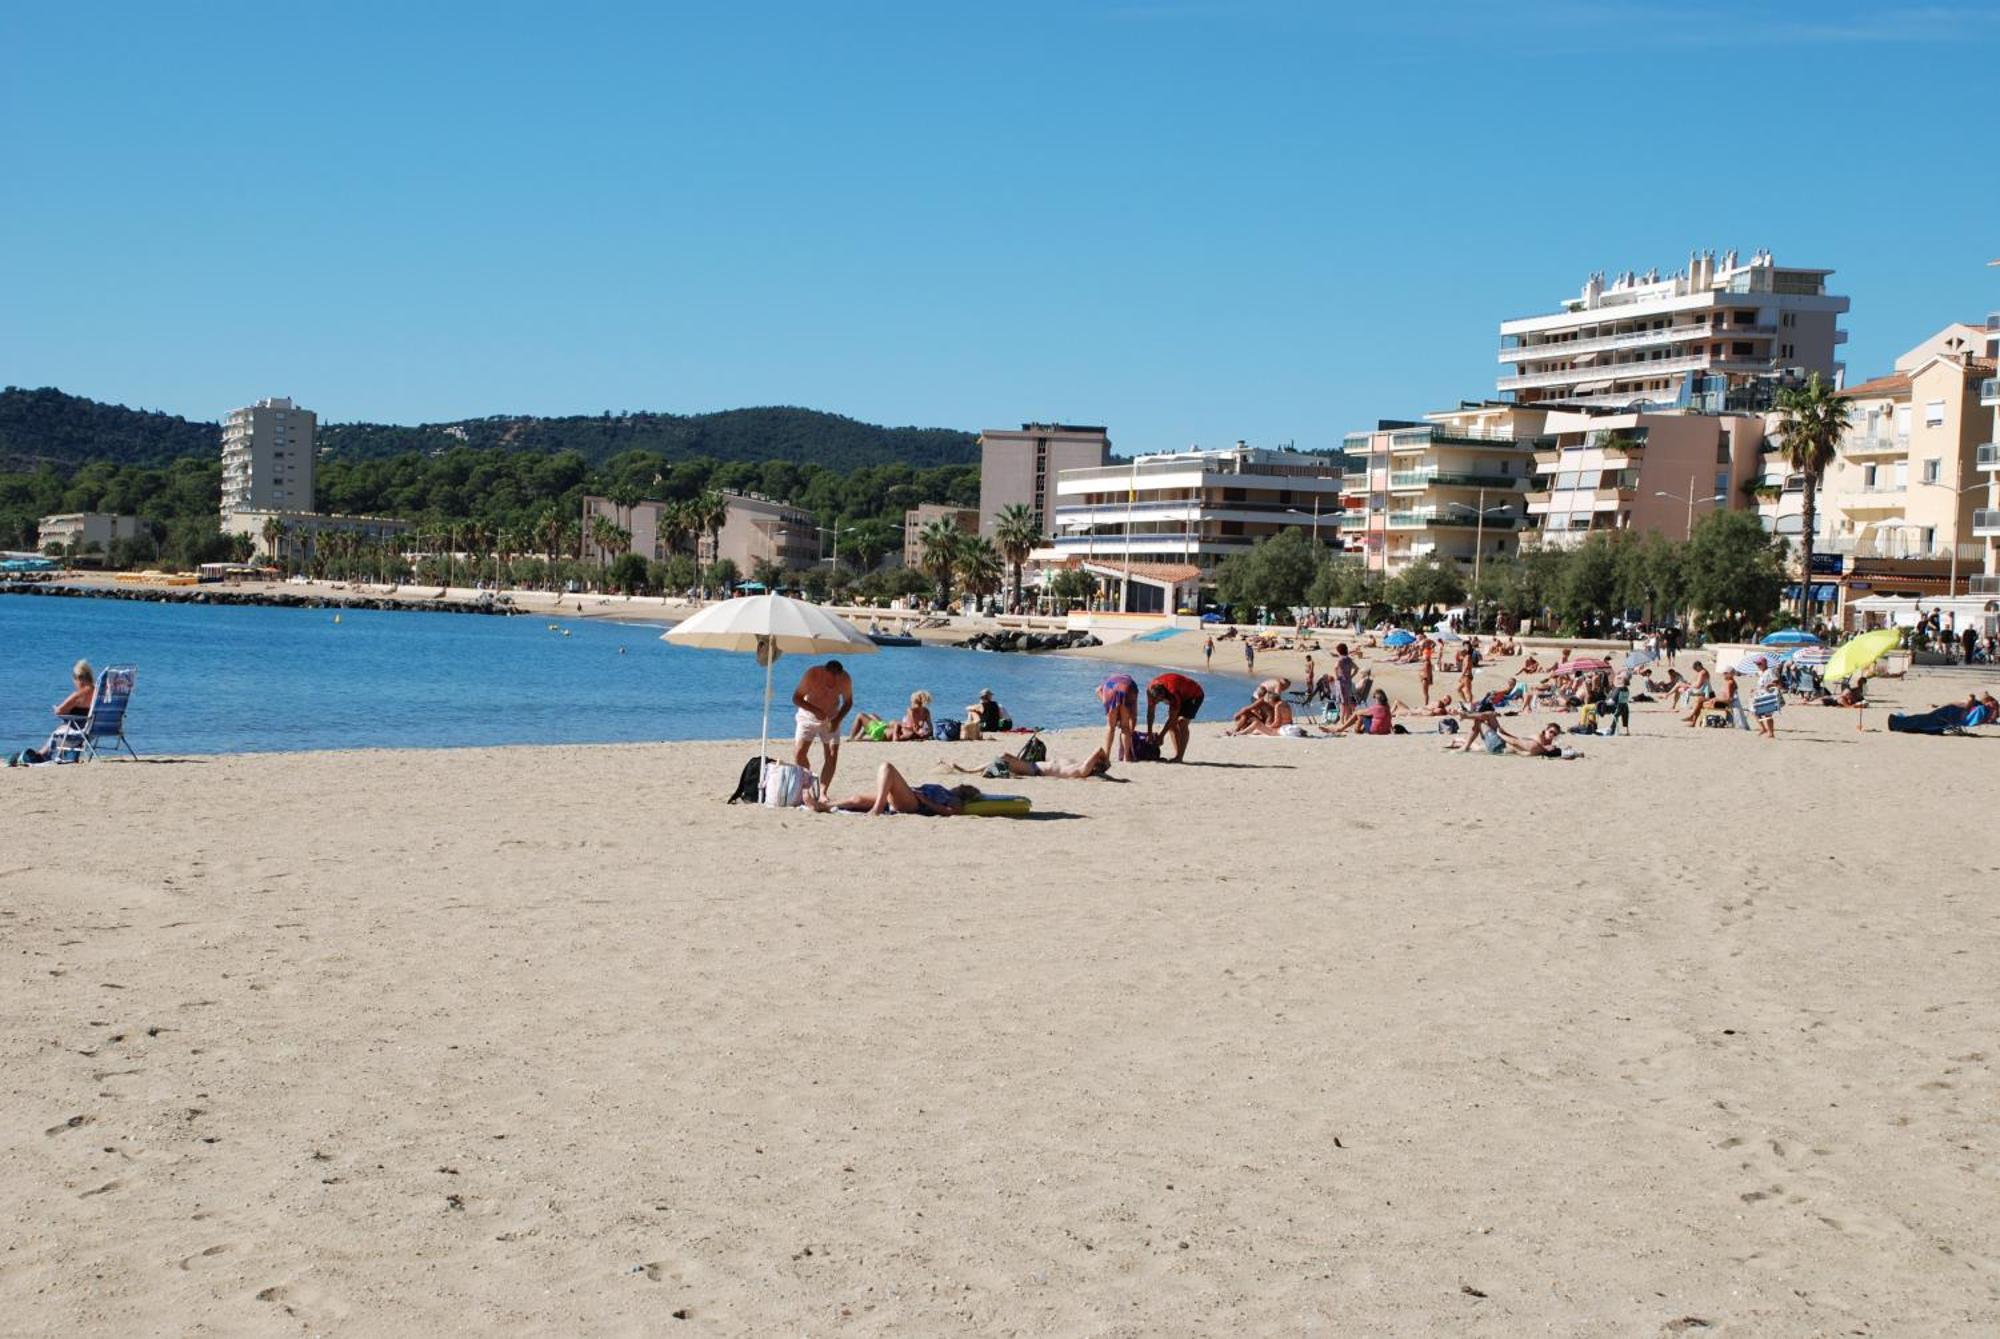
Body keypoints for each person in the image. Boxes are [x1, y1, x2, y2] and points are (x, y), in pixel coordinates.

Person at [7, 660, 96, 767]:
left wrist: (56, 709)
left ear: (78, 678)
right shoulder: (98, 692)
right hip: (92, 732)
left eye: (74, 678)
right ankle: (43, 755)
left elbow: (60, 711)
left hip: (78, 734)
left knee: (57, 732)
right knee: (64, 726)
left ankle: (40, 756)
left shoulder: (79, 695)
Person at [809, 761, 980, 816]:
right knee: (857, 799)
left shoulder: (955, 799)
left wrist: (924, 799)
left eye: (961, 787)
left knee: (887, 767)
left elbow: (950, 812)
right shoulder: (946, 791)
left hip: (915, 804)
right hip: (911, 797)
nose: (958, 786)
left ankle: (877, 808)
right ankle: (823, 806)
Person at [792, 660, 853, 791]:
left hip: (832, 717)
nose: (833, 683)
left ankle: (823, 792)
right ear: (825, 672)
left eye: (836, 679)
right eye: (831, 678)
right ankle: (807, 783)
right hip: (808, 716)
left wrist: (837, 720)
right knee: (799, 753)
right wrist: (815, 710)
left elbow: (848, 702)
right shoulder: (812, 674)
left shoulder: (845, 679)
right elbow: (796, 698)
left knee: (832, 753)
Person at [1448, 714, 1578, 759]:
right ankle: (1461, 741)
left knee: (1480, 721)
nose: (1552, 735)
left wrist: (1501, 734)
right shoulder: (1538, 741)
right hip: (1502, 743)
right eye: (1551, 732)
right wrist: (1502, 733)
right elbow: (1516, 741)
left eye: (1555, 734)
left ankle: (1464, 743)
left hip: (1500, 746)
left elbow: (1516, 742)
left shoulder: (1539, 746)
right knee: (1491, 716)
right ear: (1545, 730)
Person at [956, 746, 1117, 780]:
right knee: (1004, 757)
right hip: (1033, 766)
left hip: (1034, 770)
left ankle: (970, 771)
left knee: (1003, 756)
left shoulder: (1081, 771)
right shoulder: (1078, 765)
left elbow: (1098, 750)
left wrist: (1104, 760)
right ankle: (979, 770)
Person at [1145, 672, 1205, 762]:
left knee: (1182, 723)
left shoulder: (1173, 693)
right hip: (1180, 692)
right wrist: (1149, 733)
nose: (1157, 703)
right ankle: (1177, 754)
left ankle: (1179, 757)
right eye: (1156, 701)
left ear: (1164, 694)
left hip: (1194, 695)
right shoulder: (1150, 690)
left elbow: (1172, 718)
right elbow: (1150, 713)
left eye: (1160, 700)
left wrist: (1161, 736)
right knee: (1171, 727)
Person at [1097, 673, 1138, 761]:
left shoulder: (1108, 680)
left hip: (1110, 689)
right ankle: (1126, 757)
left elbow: (1098, 690)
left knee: (1110, 727)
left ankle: (1107, 756)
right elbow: (1134, 713)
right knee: (1125, 727)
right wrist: (1132, 729)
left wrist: (1108, 707)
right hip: (1127, 689)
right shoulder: (1131, 683)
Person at [1325, 688, 1393, 736]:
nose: (1374, 700)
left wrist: (1358, 712)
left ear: (1377, 699)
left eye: (1374, 698)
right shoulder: (1387, 708)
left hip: (1376, 731)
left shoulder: (1375, 708)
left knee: (1359, 715)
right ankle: (1353, 729)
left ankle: (1342, 729)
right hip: (1386, 730)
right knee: (1367, 717)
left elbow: (1358, 713)